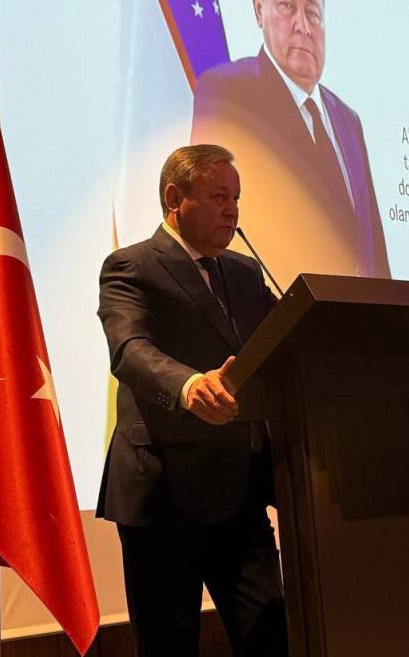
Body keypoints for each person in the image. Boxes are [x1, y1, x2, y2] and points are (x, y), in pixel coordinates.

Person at [97, 144, 287, 657]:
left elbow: (287, 340)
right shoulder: (131, 266)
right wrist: (188, 386)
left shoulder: (245, 273)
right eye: (219, 196)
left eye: (236, 198)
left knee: (273, 641)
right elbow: (130, 350)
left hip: (239, 497)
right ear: (174, 198)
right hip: (164, 501)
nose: (232, 209)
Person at [191, 0, 389, 280]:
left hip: (359, 313)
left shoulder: (348, 120)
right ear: (258, 8)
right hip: (271, 307)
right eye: (287, 6)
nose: (303, 26)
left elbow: (373, 250)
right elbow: (209, 224)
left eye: (313, 13)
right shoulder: (228, 92)